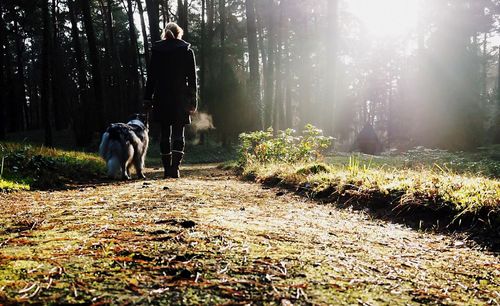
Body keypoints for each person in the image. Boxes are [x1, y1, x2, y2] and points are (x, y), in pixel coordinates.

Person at [144, 22, 197, 179]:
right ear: (179, 34)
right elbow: (192, 79)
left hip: (161, 97)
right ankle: (175, 169)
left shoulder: (157, 52)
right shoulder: (187, 51)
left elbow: (151, 78)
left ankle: (167, 169)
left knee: (165, 133)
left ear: (165, 34)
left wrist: (147, 98)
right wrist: (193, 101)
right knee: (178, 132)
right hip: (180, 97)